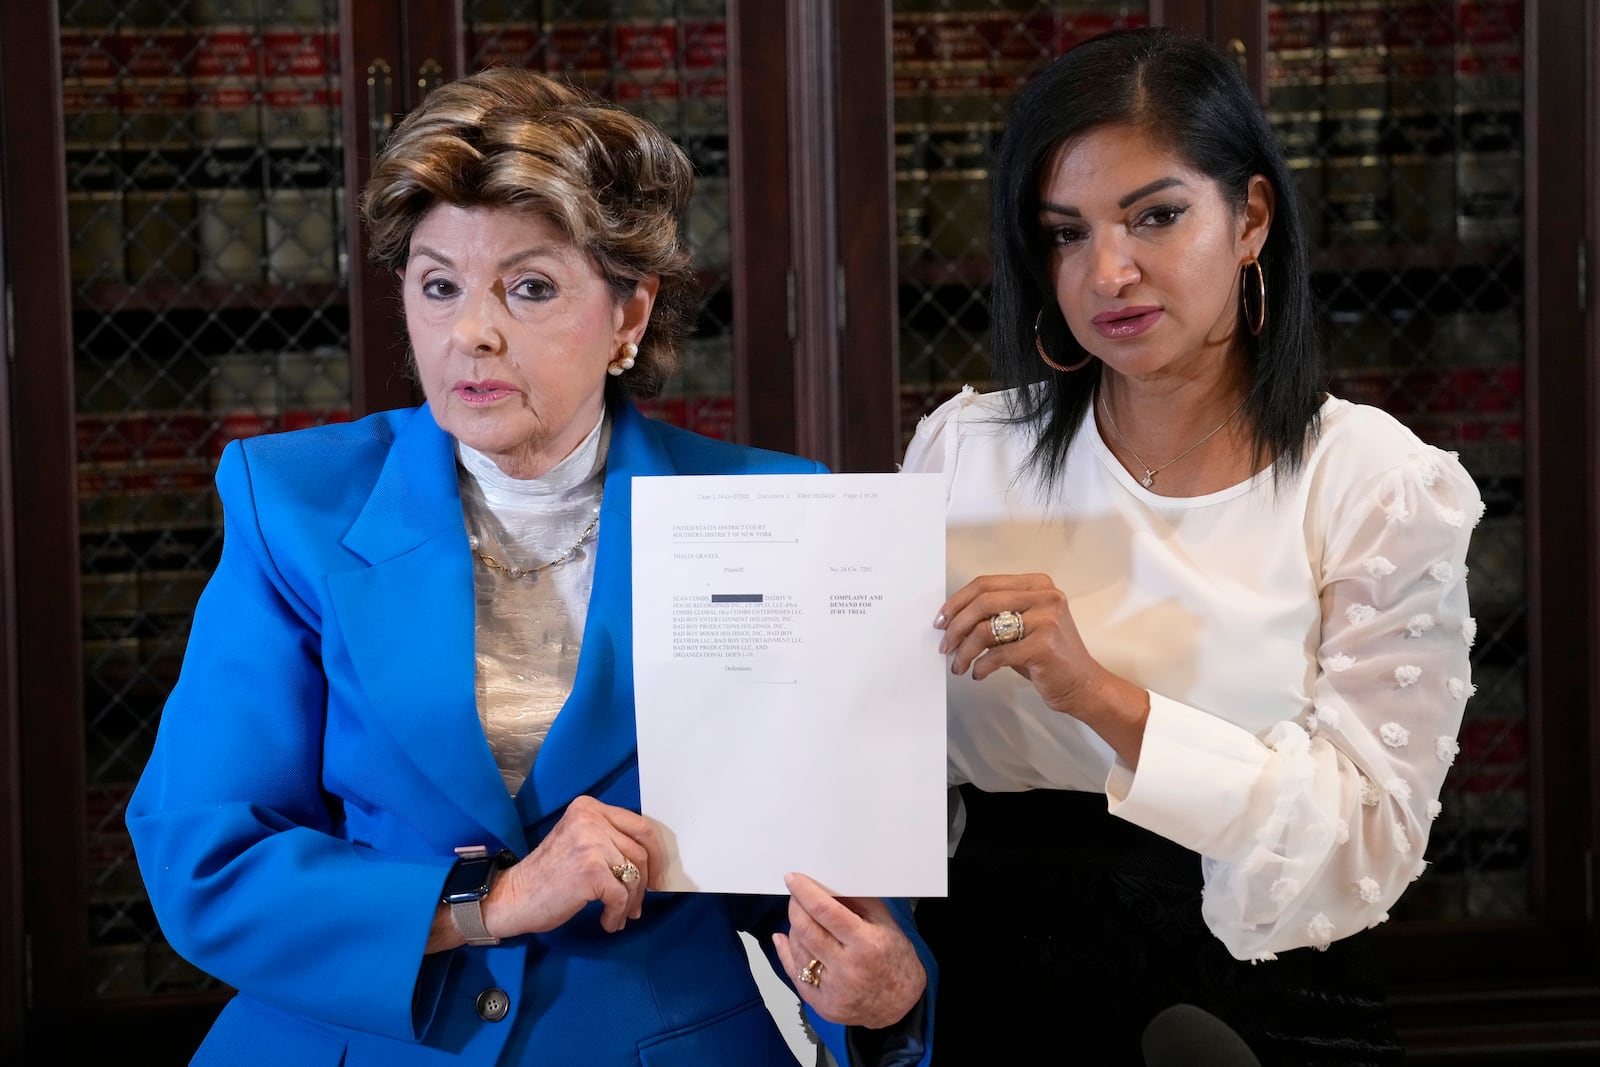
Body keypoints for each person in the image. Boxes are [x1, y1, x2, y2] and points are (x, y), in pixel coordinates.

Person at [126, 67, 933, 1066]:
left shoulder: (768, 510)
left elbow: (822, 876)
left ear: (629, 313)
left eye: (531, 286)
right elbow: (205, 854)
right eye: (438, 285)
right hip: (356, 1040)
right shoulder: (293, 503)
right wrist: (489, 902)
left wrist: (883, 993)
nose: (472, 331)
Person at [904, 27, 1482, 1065]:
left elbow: (1365, 835)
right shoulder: (963, 450)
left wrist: (1104, 698)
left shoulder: (1374, 481)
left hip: (1256, 999)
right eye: (1064, 233)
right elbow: (887, 759)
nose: (1108, 270)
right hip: (991, 983)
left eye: (1155, 216)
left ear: (1250, 216)